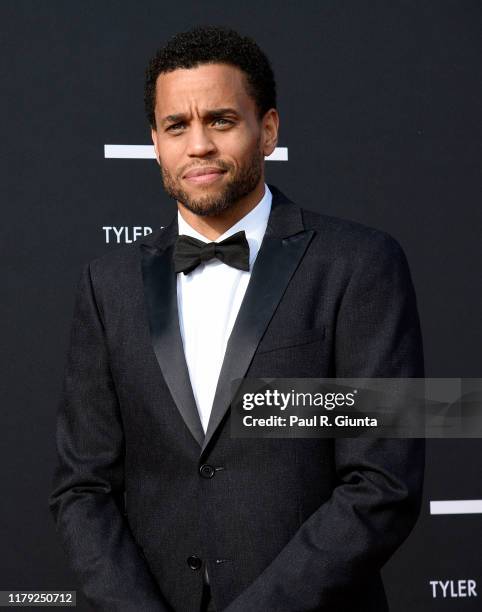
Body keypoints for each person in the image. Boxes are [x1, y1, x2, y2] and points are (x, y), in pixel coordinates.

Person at [49, 25, 425, 612]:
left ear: (267, 130)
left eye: (221, 120)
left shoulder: (363, 264)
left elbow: (384, 482)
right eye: (177, 126)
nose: (198, 144)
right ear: (155, 142)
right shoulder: (107, 284)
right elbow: (83, 486)